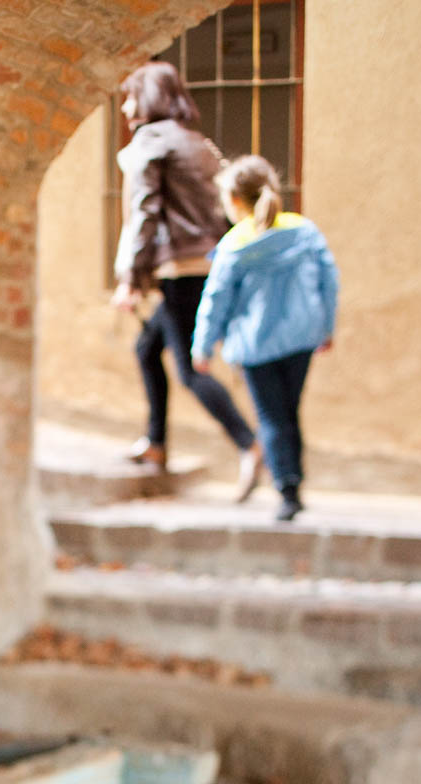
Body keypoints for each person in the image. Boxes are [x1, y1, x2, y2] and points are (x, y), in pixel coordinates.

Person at [111, 61, 263, 500]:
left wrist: (128, 278)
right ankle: (156, 444)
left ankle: (249, 445)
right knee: (146, 348)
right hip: (207, 263)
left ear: (149, 97)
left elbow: (143, 212)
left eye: (131, 95)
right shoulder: (198, 143)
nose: (124, 106)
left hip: (180, 269)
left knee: (191, 369)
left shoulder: (152, 142)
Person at [191, 156, 338, 523]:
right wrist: (326, 327)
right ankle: (293, 481)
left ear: (235, 201)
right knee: (289, 411)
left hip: (256, 346)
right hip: (302, 338)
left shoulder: (235, 243)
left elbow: (216, 300)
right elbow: (329, 280)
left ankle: (287, 489)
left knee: (272, 416)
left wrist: (202, 345)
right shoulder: (303, 230)